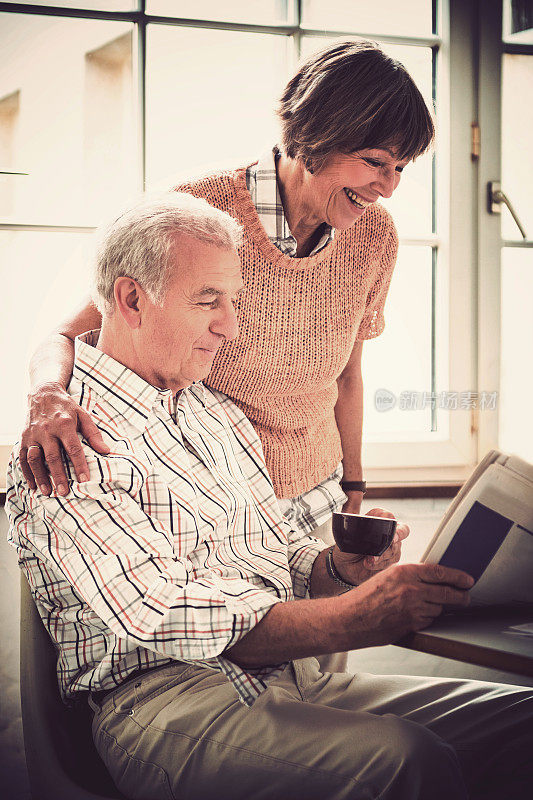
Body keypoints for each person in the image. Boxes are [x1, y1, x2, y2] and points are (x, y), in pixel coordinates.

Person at [7, 193, 533, 800]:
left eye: (234, 300)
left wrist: (336, 568)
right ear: (130, 299)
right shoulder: (66, 440)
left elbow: (278, 550)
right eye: (208, 300)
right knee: (405, 762)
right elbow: (160, 610)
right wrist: (355, 616)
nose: (230, 325)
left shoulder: (218, 415)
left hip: (292, 682)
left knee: (522, 720)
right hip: (166, 708)